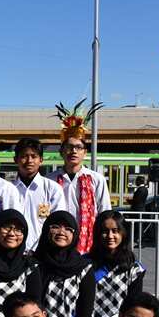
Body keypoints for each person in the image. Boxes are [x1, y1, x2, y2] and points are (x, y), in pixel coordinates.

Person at [48, 101, 110, 254]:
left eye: (78, 147)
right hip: (56, 243)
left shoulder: (96, 179)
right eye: (69, 147)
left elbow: (105, 213)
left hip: (88, 245)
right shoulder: (49, 180)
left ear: (85, 152)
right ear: (61, 152)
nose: (73, 151)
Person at [34, 211, 95, 317]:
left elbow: (85, 312)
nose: (62, 232)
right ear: (46, 230)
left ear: (75, 235)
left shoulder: (83, 268)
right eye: (55, 227)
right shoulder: (33, 264)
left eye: (68, 229)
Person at [87, 210, 145, 317]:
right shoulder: (84, 264)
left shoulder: (134, 269)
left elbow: (133, 304)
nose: (110, 236)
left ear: (123, 233)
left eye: (115, 231)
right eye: (105, 231)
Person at [12, 138, 66, 252]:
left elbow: (58, 223)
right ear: (15, 159)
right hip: (13, 252)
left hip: (43, 253)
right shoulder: (8, 189)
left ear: (41, 160)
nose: (29, 161)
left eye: (34, 156)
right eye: (24, 156)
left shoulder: (53, 189)